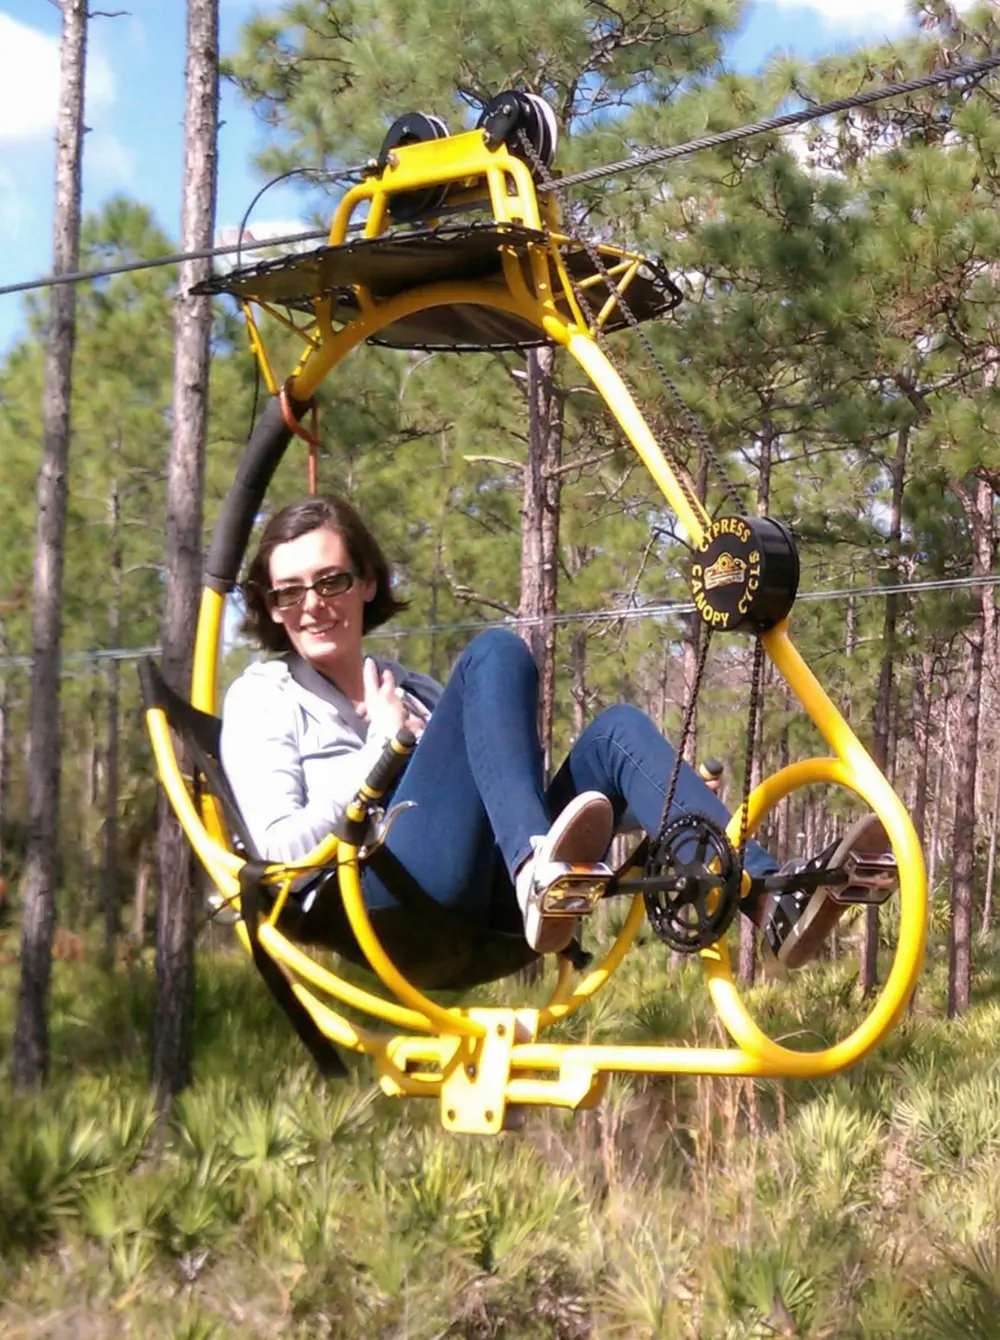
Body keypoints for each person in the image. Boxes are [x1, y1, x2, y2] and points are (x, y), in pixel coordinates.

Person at [220, 497, 889, 988]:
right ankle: (536, 871)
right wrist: (380, 754)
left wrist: (652, 797)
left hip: (493, 913)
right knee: (494, 653)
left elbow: (500, 792)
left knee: (619, 733)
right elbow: (276, 851)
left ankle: (770, 898)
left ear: (366, 582)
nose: (313, 604)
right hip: (382, 908)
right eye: (290, 592)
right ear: (272, 607)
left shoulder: (412, 687)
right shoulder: (265, 698)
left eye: (331, 581)